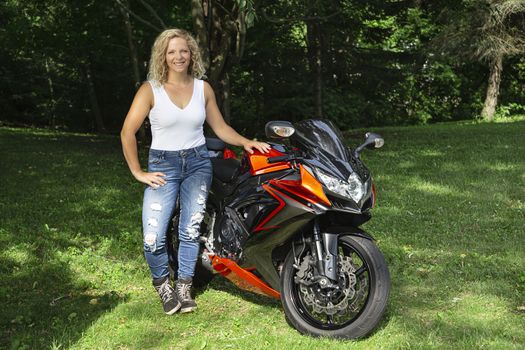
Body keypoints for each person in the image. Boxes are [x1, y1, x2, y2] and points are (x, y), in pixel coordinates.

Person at [120, 28, 270, 315]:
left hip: (199, 163)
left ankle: (183, 287)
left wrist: (246, 142)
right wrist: (138, 172)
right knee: (153, 237)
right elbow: (127, 132)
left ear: (192, 54)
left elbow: (221, 128)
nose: (178, 56)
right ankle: (163, 285)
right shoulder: (150, 89)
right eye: (172, 51)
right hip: (163, 164)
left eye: (183, 51)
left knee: (190, 231)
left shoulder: (203, 88)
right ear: (163, 56)